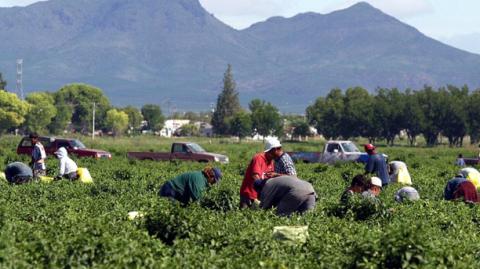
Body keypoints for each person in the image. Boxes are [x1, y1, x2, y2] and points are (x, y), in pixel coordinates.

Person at [239, 138, 277, 208]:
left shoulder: (271, 161)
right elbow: (255, 176)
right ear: (269, 151)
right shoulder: (258, 158)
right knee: (244, 215)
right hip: (249, 194)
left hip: (259, 196)